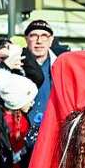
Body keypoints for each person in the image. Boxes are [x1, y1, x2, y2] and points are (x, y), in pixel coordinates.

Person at [23, 19, 58, 153]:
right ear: (26, 39)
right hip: (21, 136)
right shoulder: (16, 65)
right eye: (34, 35)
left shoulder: (59, 65)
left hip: (50, 134)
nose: (39, 41)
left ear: (51, 40)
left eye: (44, 36)